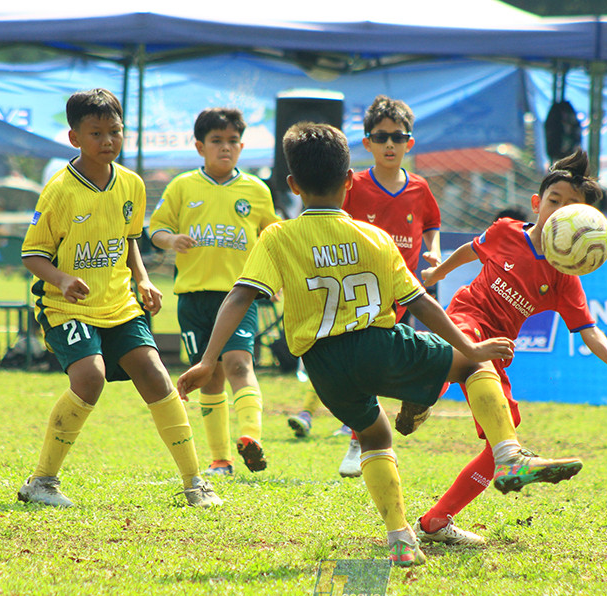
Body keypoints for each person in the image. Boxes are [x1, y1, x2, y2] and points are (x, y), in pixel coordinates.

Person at [178, 122, 583, 566]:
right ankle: (507, 455)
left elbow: (239, 296)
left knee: (375, 435)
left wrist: (206, 360)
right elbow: (422, 304)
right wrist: (470, 349)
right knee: (471, 368)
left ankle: (400, 538)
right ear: (350, 181)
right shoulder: (375, 237)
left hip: (323, 365)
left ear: (293, 185)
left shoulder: (277, 237)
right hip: (378, 345)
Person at [413, 149, 607, 546]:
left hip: (497, 347)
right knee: (482, 383)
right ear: (538, 203)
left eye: (573, 208)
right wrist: (438, 272)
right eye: (555, 202)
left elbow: (587, 329)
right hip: (466, 321)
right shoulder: (506, 231)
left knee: (501, 440)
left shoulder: (564, 276)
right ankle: (423, 393)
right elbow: (472, 249)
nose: (560, 214)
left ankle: (436, 521)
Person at [16, 88, 219, 510]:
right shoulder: (59, 191)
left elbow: (128, 242)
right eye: (96, 133)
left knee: (156, 376)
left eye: (115, 131)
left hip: (120, 304)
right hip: (65, 306)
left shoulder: (132, 185)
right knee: (90, 378)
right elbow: (32, 254)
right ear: (75, 138)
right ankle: (42, 481)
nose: (107, 140)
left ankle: (195, 482)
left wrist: (143, 280)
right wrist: (62, 278)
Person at [288, 95, 443, 479]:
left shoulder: (420, 188)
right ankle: (360, 440)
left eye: (398, 136)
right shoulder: (352, 184)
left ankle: (414, 401)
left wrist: (433, 254)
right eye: (381, 136)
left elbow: (430, 225)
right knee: (363, 364)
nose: (390, 143)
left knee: (398, 359)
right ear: (367, 143)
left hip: (404, 292)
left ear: (410, 142)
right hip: (360, 294)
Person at [149, 108, 279, 476]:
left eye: (233, 141)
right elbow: (155, 230)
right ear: (199, 146)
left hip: (239, 294)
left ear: (241, 146)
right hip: (193, 298)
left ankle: (251, 437)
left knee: (239, 364)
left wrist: (277, 280)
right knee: (210, 376)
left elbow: (272, 239)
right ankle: (220, 459)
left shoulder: (256, 191)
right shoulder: (182, 186)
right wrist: (171, 239)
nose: (226, 148)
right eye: (217, 141)